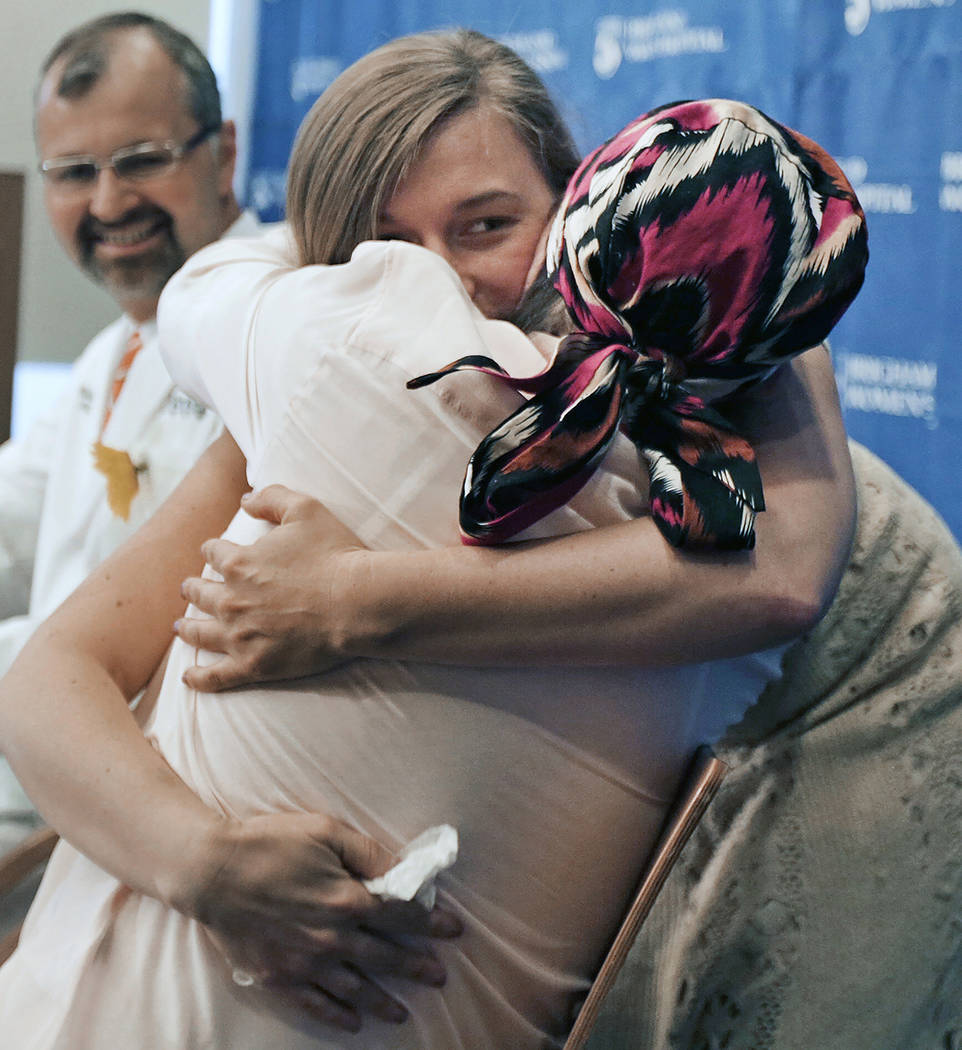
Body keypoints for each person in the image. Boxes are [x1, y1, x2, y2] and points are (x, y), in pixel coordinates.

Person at [0, 36, 862, 1046]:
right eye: (382, 251)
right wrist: (205, 864)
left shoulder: (685, 465)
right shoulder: (301, 380)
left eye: (485, 226)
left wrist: (357, 598)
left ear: (573, 207)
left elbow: (784, 572)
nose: (435, 290)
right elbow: (49, 678)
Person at [0, 12, 261, 828]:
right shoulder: (114, 348)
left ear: (223, 153)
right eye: (75, 171)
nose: (110, 202)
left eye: (142, 161)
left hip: (132, 813)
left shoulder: (267, 322)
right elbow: (17, 515)